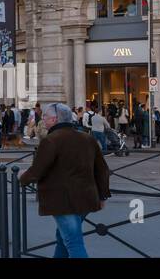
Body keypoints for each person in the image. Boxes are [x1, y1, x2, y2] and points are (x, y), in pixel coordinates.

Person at [17, 103, 110, 258]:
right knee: (63, 238)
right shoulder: (87, 138)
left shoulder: (51, 140)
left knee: (73, 243)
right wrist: (102, 195)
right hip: (86, 198)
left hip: (63, 201)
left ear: (54, 119)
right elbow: (102, 169)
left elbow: (37, 170)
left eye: (45, 116)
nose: (43, 119)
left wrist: (22, 177)